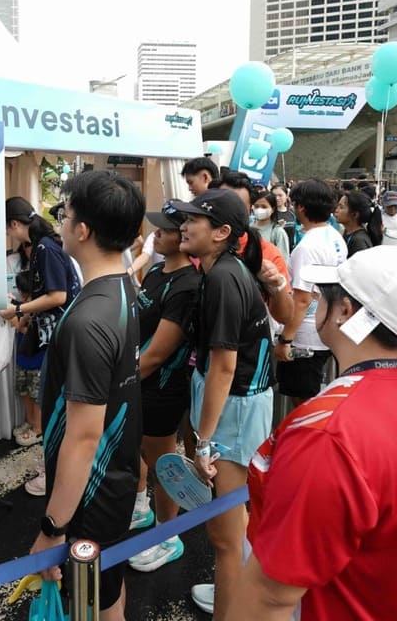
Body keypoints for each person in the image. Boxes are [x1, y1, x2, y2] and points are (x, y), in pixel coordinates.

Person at [237, 246, 397, 620]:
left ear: (345, 311)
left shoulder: (329, 434)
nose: (315, 304)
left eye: (324, 296)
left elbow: (270, 595)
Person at [27, 170, 145, 621]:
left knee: (92, 599)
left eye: (65, 214)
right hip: (112, 479)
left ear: (83, 230)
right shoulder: (122, 286)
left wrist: (52, 526)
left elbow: (83, 436)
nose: (60, 222)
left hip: (92, 492)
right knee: (107, 590)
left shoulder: (88, 319)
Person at [171, 189, 273, 619]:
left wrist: (204, 442)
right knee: (229, 531)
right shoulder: (223, 271)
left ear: (221, 233)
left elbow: (224, 367)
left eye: (193, 219)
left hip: (235, 410)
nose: (183, 226)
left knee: (226, 538)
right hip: (232, 406)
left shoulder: (224, 279)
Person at [126, 203, 201, 573]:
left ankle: (168, 536)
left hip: (162, 388)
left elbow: (157, 354)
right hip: (138, 381)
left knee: (163, 465)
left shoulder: (188, 285)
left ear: (184, 237)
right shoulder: (156, 271)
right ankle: (142, 507)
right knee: (137, 449)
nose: (156, 234)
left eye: (165, 230)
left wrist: (118, 382)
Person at [0, 197, 81, 455]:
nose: (9, 235)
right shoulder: (41, 246)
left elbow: (58, 296)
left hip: (59, 331)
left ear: (15, 224)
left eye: (7, 229)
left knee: (48, 391)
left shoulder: (45, 248)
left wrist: (18, 310)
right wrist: (23, 314)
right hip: (51, 329)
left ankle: (47, 439)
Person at [277, 180, 348, 407]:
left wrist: (286, 339)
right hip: (327, 328)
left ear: (301, 207)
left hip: (305, 337)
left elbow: (302, 298)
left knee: (303, 404)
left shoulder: (307, 247)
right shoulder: (335, 237)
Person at [216, 171, 294, 326]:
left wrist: (276, 285)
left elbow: (285, 316)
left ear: (248, 209)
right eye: (221, 203)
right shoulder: (198, 246)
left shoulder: (267, 252)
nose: (228, 210)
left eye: (237, 204)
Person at [9, 269, 43, 446]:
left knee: (36, 396)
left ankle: (38, 429)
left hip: (38, 361)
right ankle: (30, 422)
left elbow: (31, 333)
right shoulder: (23, 306)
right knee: (24, 392)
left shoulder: (41, 308)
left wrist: (16, 322)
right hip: (23, 359)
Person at [334, 190, 379, 256]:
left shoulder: (359, 241)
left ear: (355, 214)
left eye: (341, 207)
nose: (336, 210)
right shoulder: (348, 232)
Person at [251, 189, 292, 257]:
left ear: (273, 209)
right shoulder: (249, 228)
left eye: (264, 207)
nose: (259, 209)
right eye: (256, 206)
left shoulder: (277, 232)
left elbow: (283, 259)